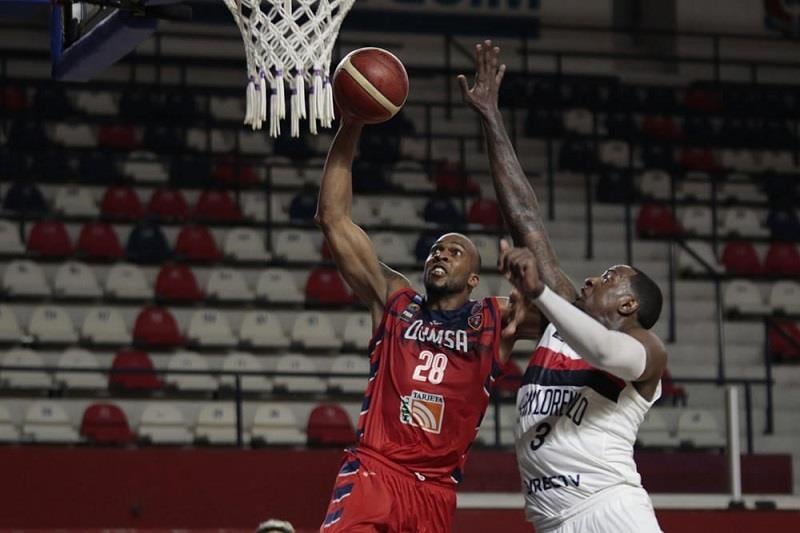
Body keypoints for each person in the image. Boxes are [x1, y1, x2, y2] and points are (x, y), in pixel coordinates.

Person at [460, 41, 667, 533]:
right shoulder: (565, 312)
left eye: (611, 278)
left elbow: (600, 348)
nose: (595, 278)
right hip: (551, 523)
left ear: (629, 303)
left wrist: (542, 296)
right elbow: (526, 218)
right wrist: (491, 116)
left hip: (609, 511)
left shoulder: (646, 351)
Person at [315, 115, 538, 532]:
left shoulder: (494, 318)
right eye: (436, 250)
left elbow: (572, 320)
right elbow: (333, 219)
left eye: (454, 252)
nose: (440, 255)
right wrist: (351, 125)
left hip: (434, 492)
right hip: (375, 471)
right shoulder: (395, 301)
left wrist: (535, 284)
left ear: (474, 279)